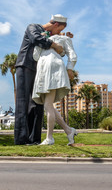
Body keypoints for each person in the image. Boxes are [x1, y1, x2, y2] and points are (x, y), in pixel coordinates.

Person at [14, 14, 66, 145]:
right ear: (55, 24)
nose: (58, 32)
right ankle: (21, 139)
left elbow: (56, 48)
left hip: (38, 70)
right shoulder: (33, 27)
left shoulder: (48, 36)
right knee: (23, 102)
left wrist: (63, 38)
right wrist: (54, 44)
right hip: (25, 66)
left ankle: (34, 139)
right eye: (59, 30)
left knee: (37, 104)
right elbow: (37, 39)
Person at [32, 18, 77, 145]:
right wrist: (41, 41)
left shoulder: (65, 39)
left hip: (53, 69)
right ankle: (69, 131)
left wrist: (69, 69)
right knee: (48, 104)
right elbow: (35, 56)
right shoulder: (45, 39)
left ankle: (50, 138)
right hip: (43, 70)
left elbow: (72, 55)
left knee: (47, 105)